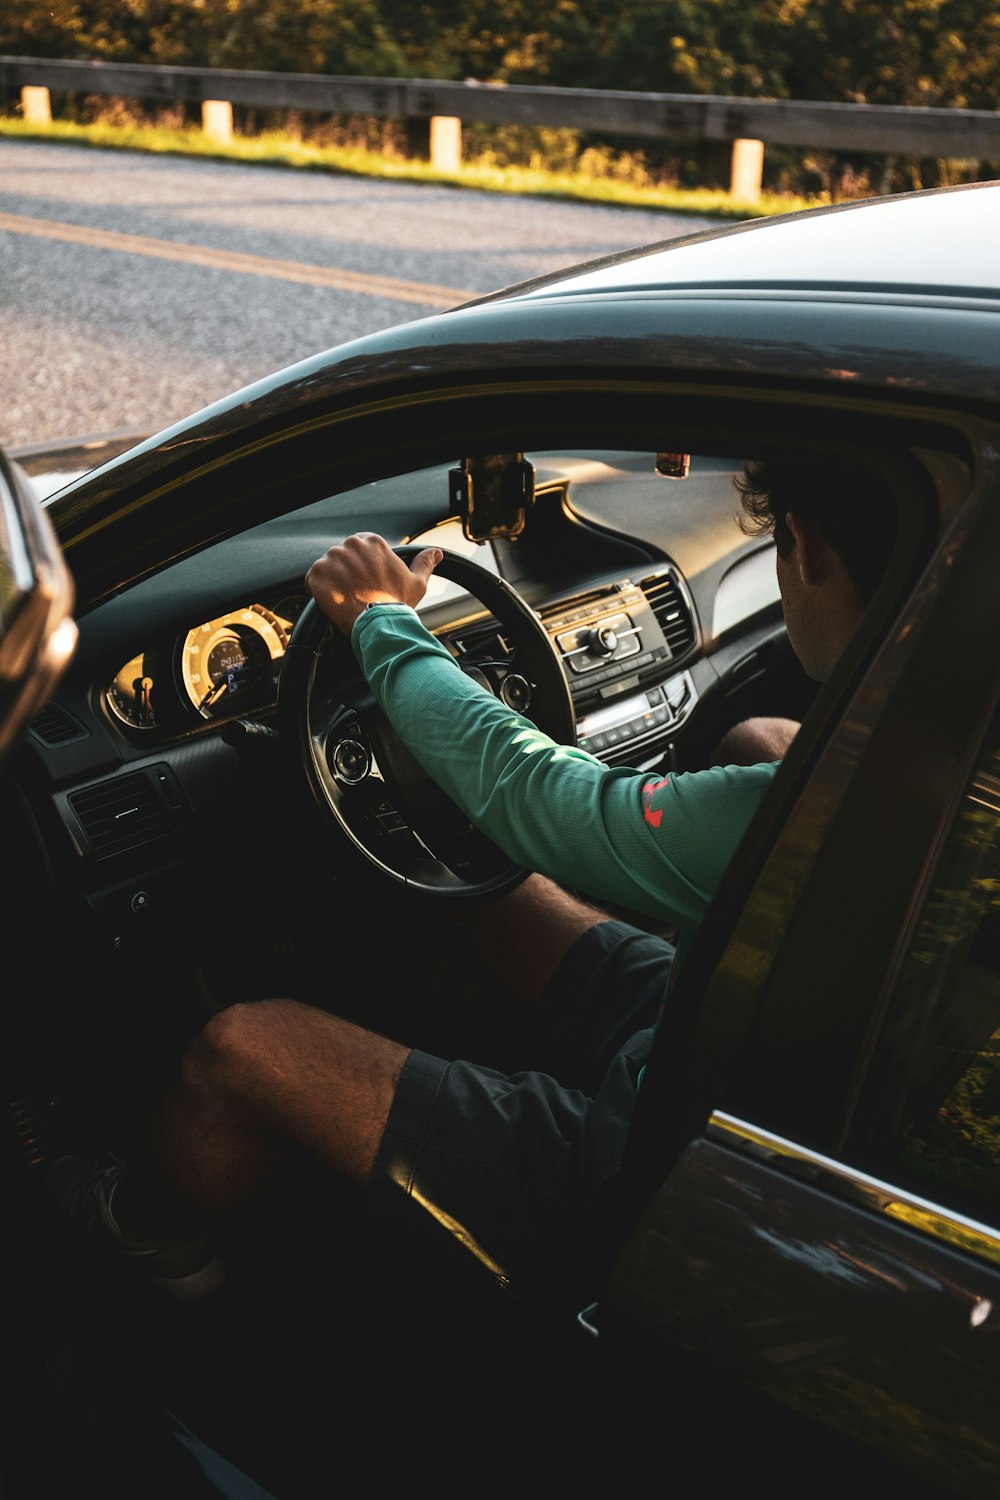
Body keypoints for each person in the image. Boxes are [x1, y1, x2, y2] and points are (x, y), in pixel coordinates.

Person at [50, 456, 897, 1311]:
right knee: (483, 900)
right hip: (729, 1050)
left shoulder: (832, 810)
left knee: (236, 1049)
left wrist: (381, 622)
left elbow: (542, 798)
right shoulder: (935, 750)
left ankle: (144, 1230)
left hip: (659, 1169)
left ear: (808, 546)